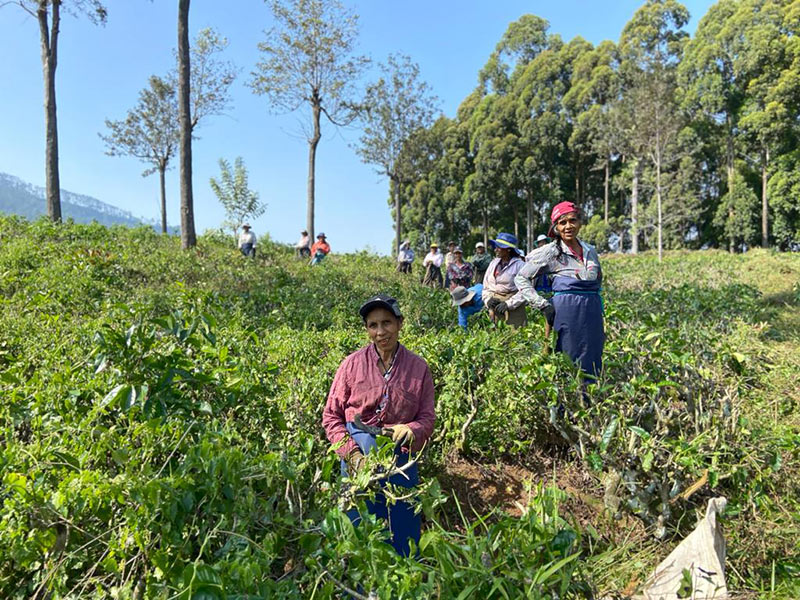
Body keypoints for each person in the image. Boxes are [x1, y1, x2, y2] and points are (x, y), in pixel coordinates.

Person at [322, 294, 435, 557]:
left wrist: (412, 430)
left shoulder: (418, 368)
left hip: (400, 456)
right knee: (359, 530)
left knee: (403, 528)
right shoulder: (351, 365)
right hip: (357, 452)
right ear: (367, 330)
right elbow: (331, 417)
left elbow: (427, 418)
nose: (381, 332)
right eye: (373, 325)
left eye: (387, 323)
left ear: (400, 324)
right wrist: (352, 456)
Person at [510, 201, 604, 379]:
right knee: (567, 357)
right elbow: (521, 278)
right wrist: (543, 305)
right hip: (566, 312)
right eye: (562, 222)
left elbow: (599, 278)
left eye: (572, 220)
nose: (568, 226)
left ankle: (589, 400)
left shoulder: (590, 250)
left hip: (591, 311)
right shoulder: (550, 252)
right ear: (556, 228)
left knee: (593, 355)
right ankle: (565, 403)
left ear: (579, 223)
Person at [482, 233, 527, 328]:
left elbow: (525, 290)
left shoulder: (520, 265)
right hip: (495, 306)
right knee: (497, 336)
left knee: (515, 336)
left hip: (514, 307)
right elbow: (486, 286)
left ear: (508, 249)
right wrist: (488, 300)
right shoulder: (493, 263)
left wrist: (508, 304)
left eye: (499, 247)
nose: (495, 250)